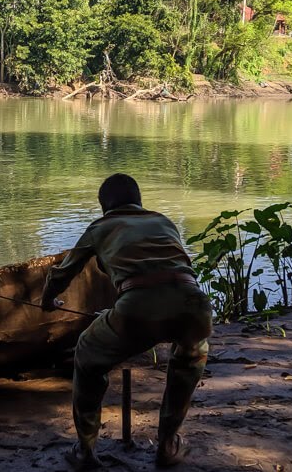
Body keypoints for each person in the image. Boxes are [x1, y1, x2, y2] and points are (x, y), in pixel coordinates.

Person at [40, 173, 212, 470]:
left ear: (104, 207)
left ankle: (85, 449)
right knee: (187, 361)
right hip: (195, 303)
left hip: (137, 307)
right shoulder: (163, 221)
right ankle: (168, 444)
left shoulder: (101, 226)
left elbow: (62, 273)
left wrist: (47, 301)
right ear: (139, 202)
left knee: (87, 355)